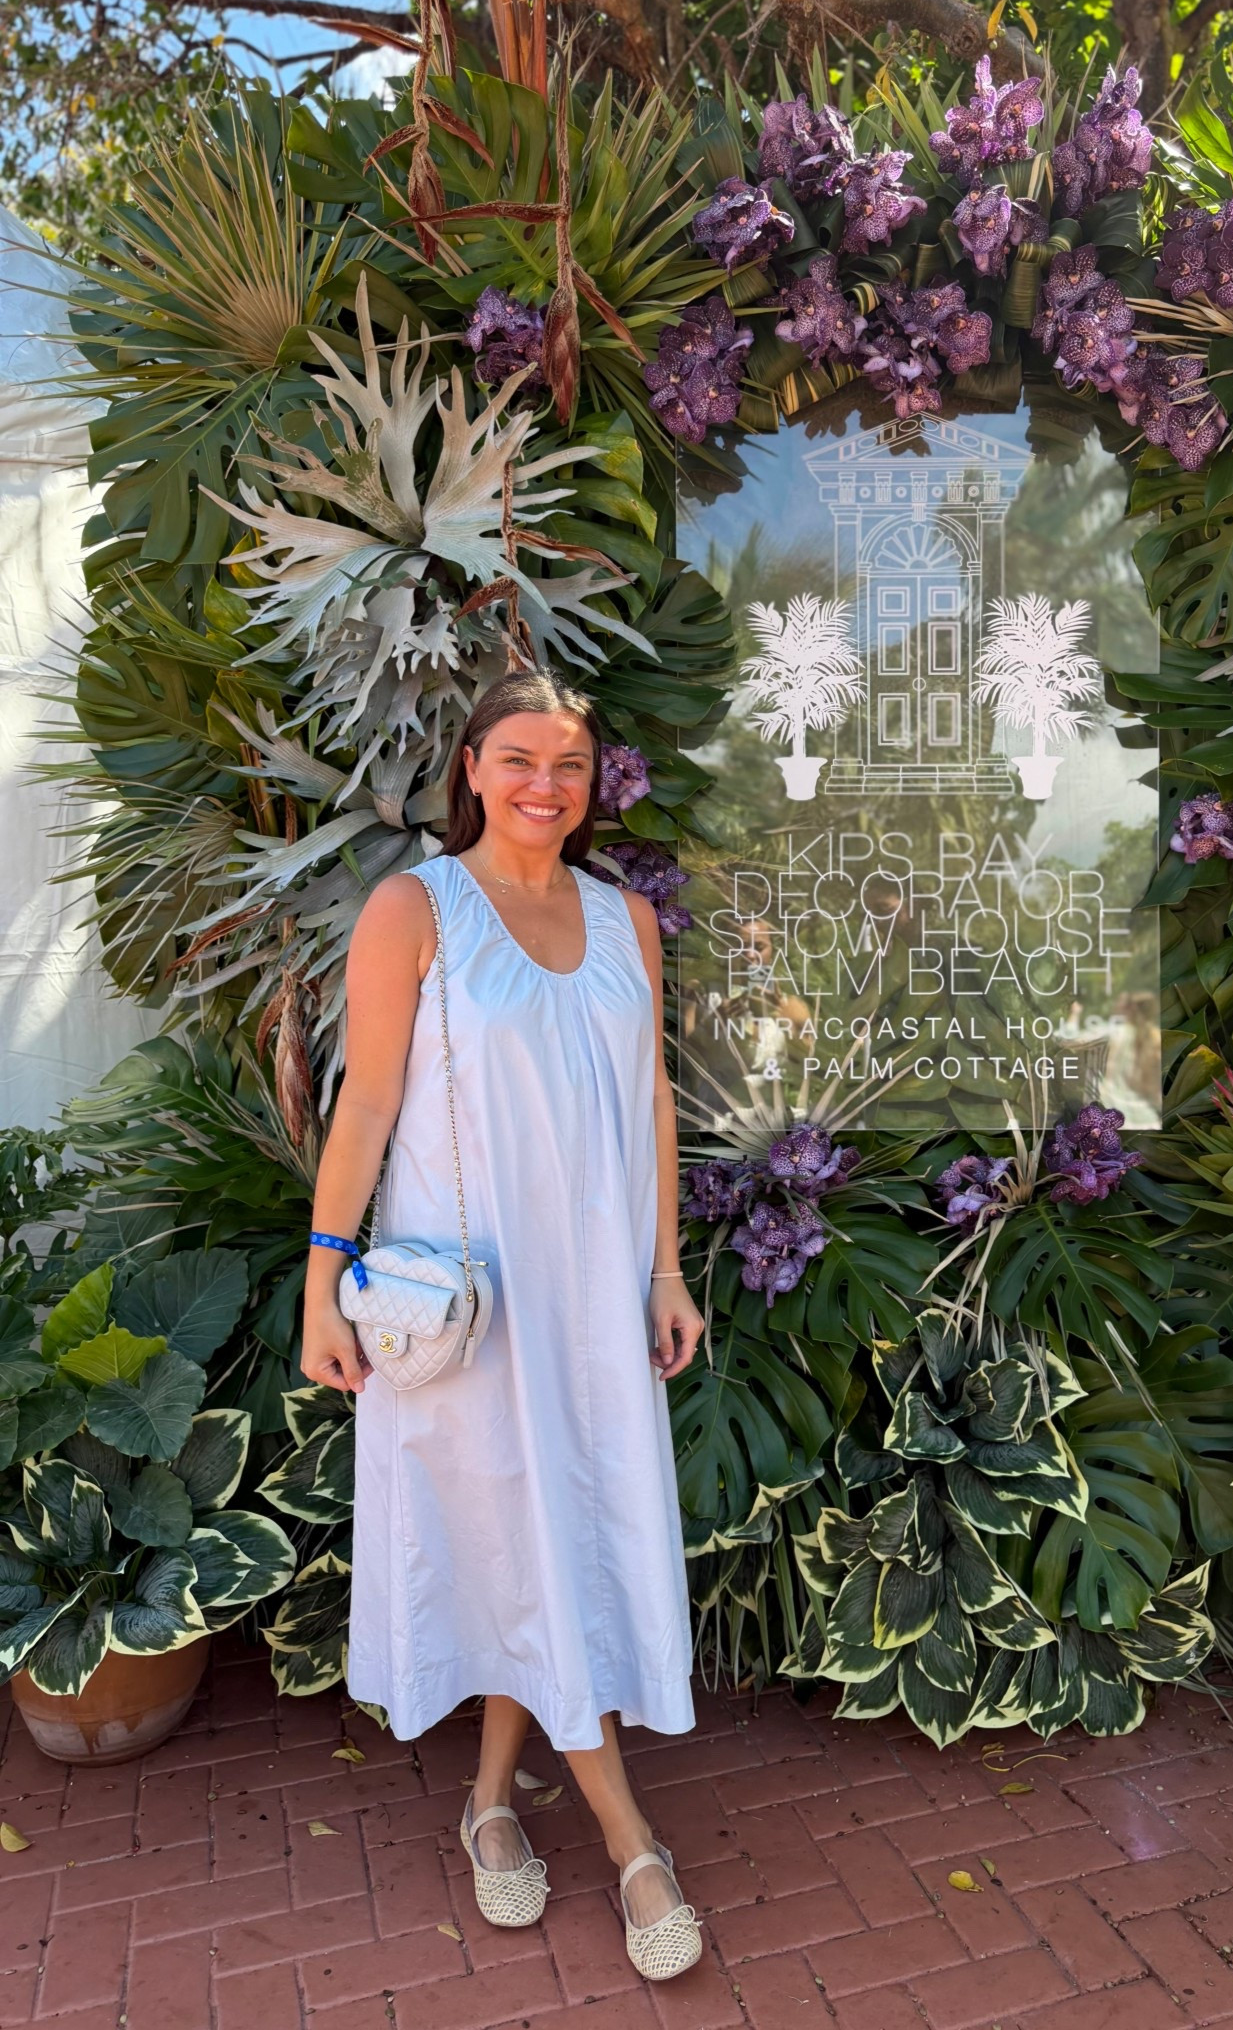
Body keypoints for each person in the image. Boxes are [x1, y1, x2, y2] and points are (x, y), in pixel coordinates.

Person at [300, 670, 706, 1982]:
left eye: (572, 766)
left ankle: (487, 1805)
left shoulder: (622, 918)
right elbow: (363, 1107)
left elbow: (651, 1105)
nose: (547, 785)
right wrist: (323, 1282)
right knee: (516, 1542)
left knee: (544, 1544)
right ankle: (634, 1844)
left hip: (591, 1300)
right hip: (468, 1303)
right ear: (470, 767)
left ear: (595, 784)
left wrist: (665, 1271)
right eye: (520, 758)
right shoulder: (414, 909)